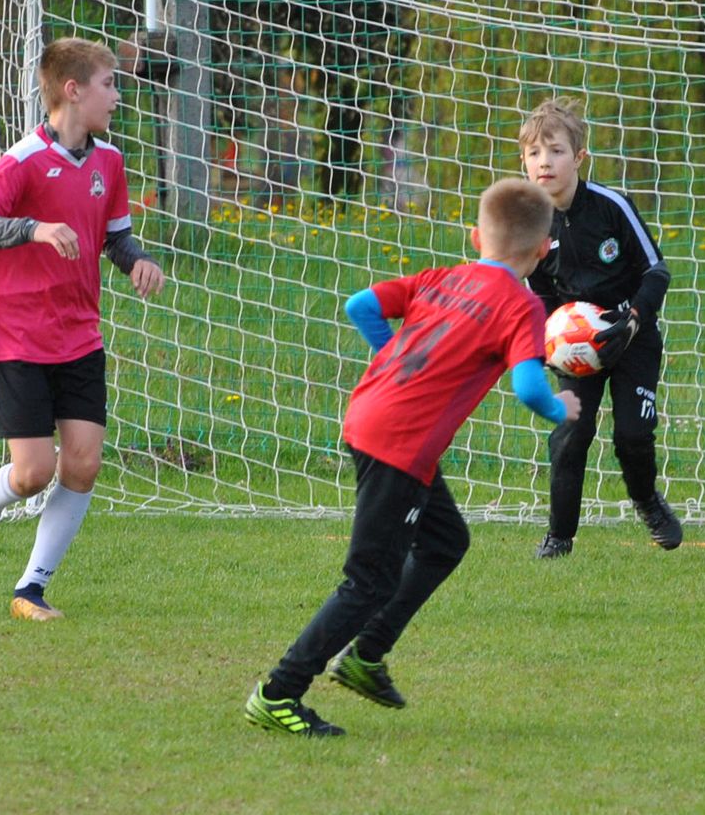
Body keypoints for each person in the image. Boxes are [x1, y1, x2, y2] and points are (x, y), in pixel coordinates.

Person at [244, 177, 580, 737]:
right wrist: (559, 407)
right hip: (399, 442)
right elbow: (528, 387)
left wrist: (395, 358)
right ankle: (278, 692)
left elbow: (361, 305)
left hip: (374, 416)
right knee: (367, 582)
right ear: (544, 250)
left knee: (445, 541)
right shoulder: (521, 307)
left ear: (476, 236)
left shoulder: (444, 277)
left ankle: (366, 655)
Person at [0, 37, 166, 621]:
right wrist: (33, 229)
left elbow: (115, 236)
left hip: (79, 334)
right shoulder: (22, 160)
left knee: (84, 463)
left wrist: (138, 260)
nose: (117, 97)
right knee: (33, 472)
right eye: (109, 85)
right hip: (16, 334)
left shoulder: (110, 163)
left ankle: (31, 590)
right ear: (73, 90)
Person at [519, 96, 681, 559]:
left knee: (633, 435)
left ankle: (647, 502)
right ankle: (559, 536)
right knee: (570, 433)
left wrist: (631, 322)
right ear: (524, 162)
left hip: (632, 335)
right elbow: (541, 295)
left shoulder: (612, 206)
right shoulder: (532, 225)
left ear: (579, 158)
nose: (544, 162)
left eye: (556, 151)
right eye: (534, 153)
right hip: (574, 345)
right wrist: (551, 340)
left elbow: (657, 272)